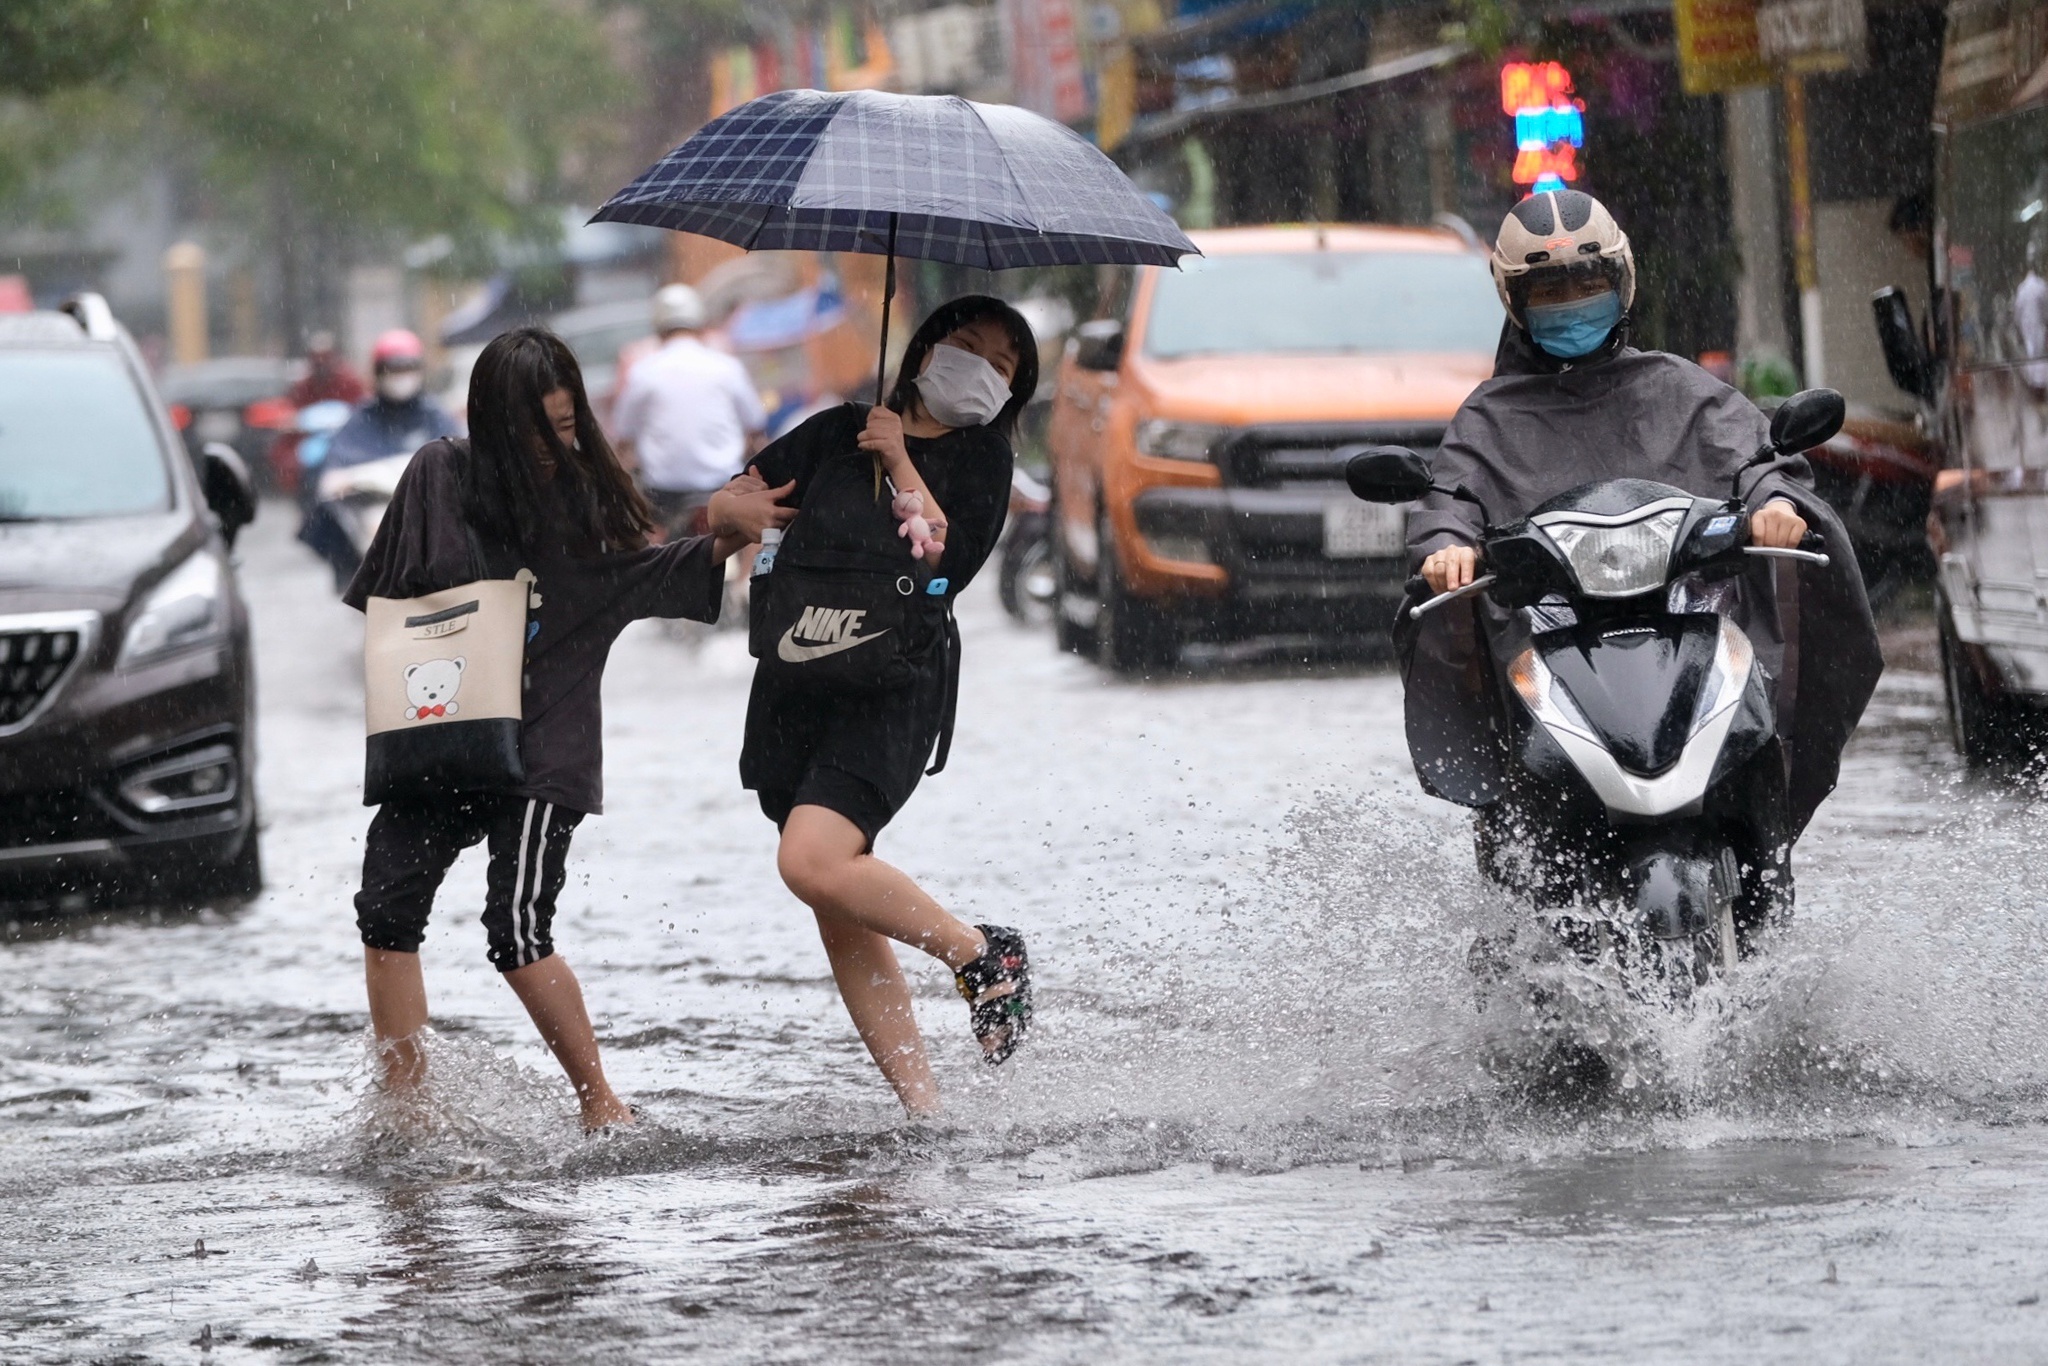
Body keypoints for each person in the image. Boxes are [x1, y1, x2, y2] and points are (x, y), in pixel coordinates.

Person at [342, 327, 792, 1131]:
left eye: (567, 424)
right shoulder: (437, 476)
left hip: (544, 746)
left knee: (514, 929)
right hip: (443, 736)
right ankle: (405, 1115)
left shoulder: (587, 497)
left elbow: (642, 575)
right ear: (491, 421)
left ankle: (601, 1106)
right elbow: (391, 609)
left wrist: (720, 526)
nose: (557, 444)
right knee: (385, 908)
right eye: (538, 430)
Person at [1402, 189, 1881, 911]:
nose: (1572, 302)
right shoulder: (1486, 419)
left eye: (1587, 284)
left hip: (1683, 624)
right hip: (1550, 644)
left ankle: (1759, 854)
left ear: (1621, 284)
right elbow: (1451, 500)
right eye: (1551, 289)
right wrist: (1448, 549)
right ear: (1515, 300)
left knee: (1756, 724)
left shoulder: (1681, 390)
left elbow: (1756, 458)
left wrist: (1775, 506)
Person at [706, 296, 1038, 1117]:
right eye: (967, 346)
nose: (980, 368)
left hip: (890, 689)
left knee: (810, 863)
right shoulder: (836, 430)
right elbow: (735, 501)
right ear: (925, 347)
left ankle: (980, 954)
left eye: (1002, 365)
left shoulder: (981, 459)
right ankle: (923, 1111)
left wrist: (899, 459)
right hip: (797, 679)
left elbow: (946, 560)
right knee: (835, 894)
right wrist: (730, 512)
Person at [299, 330, 460, 587]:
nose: (400, 377)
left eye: (407, 368)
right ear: (378, 372)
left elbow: (461, 462)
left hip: (433, 519)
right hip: (376, 526)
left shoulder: (435, 416)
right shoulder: (360, 421)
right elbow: (331, 480)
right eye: (393, 369)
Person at [612, 283, 767, 538]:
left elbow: (623, 434)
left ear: (659, 326)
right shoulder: (727, 367)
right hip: (726, 486)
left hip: (665, 494)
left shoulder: (643, 373)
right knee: (761, 529)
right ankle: (745, 578)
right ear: (699, 324)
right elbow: (755, 423)